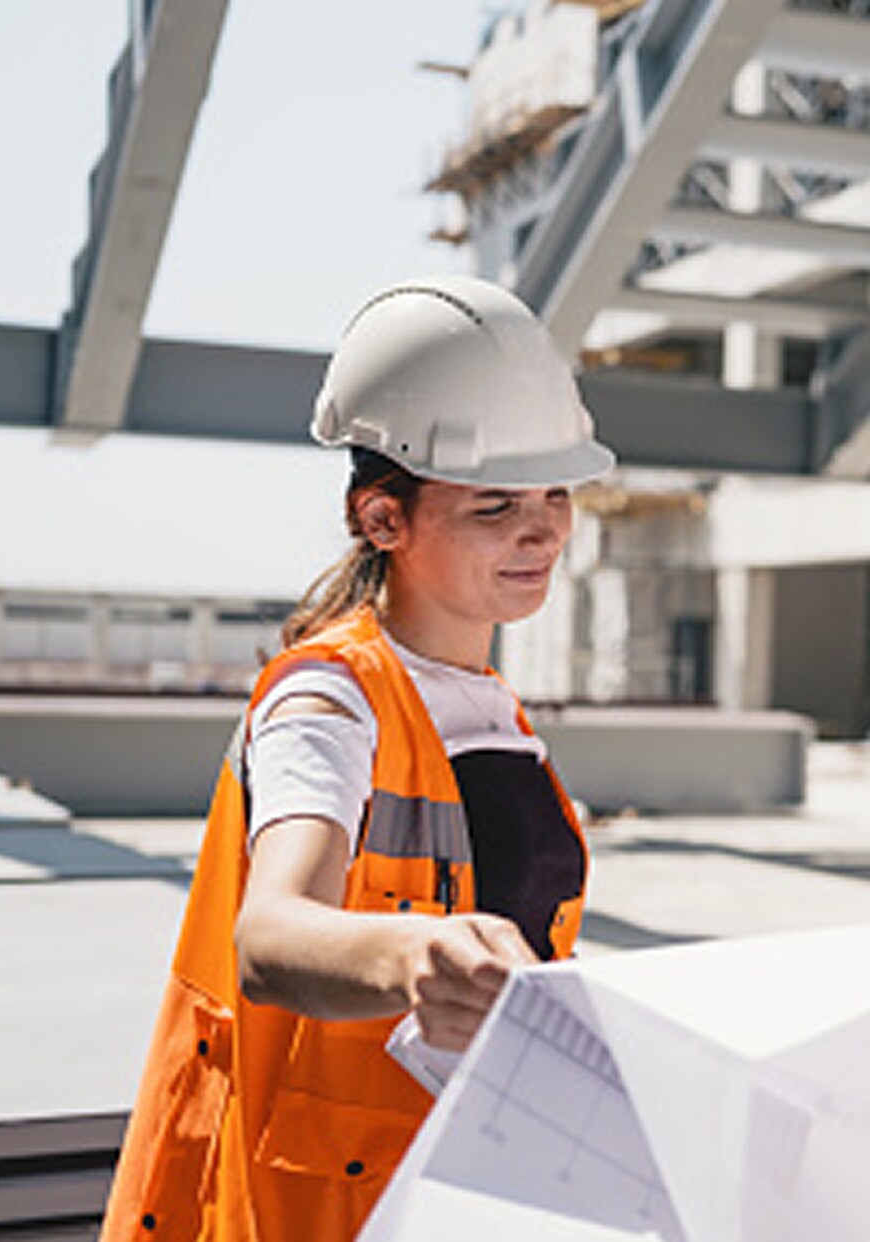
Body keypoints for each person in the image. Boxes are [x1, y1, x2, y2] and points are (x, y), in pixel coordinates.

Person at [101, 275, 617, 1241]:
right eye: (494, 504)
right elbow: (271, 939)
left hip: (453, 1185)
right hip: (315, 1208)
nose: (543, 528)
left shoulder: (496, 713)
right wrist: (421, 955)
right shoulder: (324, 699)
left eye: (555, 492)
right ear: (384, 520)